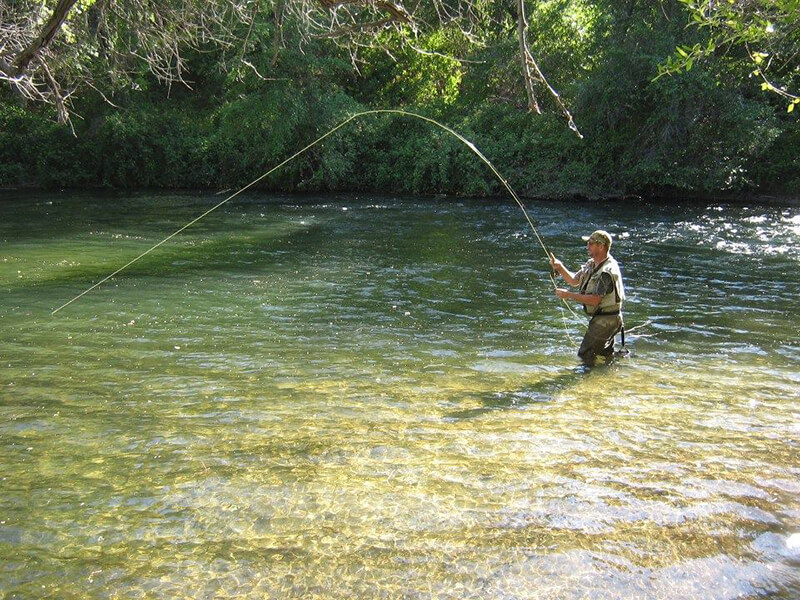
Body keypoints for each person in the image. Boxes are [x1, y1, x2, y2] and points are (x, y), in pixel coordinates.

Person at [549, 230, 626, 363]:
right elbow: (574, 280)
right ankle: (606, 379)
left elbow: (595, 300)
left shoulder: (607, 272)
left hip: (606, 321)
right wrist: (560, 267)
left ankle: (586, 382)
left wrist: (568, 295)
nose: (587, 246)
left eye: (590, 244)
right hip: (605, 319)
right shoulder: (592, 263)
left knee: (585, 355)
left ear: (601, 246)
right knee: (604, 355)